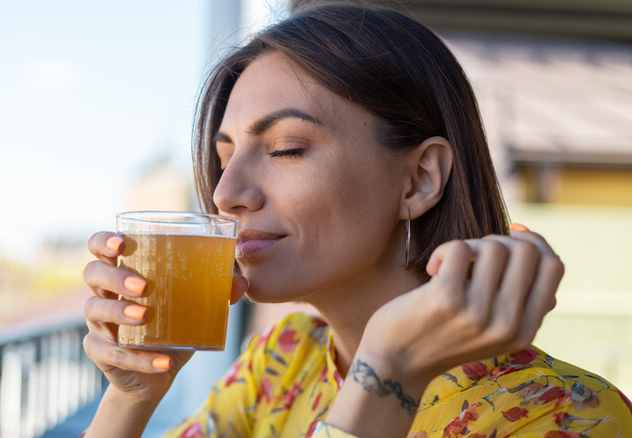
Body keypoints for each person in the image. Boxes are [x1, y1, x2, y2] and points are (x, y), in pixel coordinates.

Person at [81, 3, 632, 437]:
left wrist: (388, 373)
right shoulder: (283, 364)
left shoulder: (565, 418)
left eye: (286, 148)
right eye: (224, 158)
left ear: (419, 180)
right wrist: (132, 394)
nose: (226, 194)